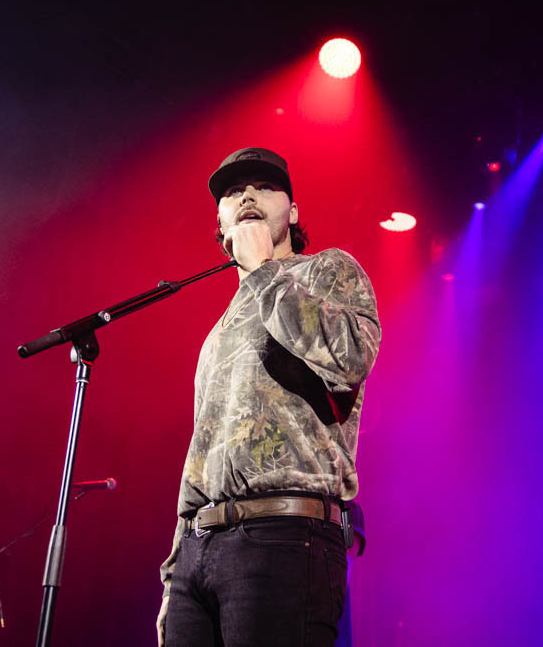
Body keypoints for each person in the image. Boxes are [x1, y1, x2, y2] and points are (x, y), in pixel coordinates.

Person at [157, 147, 381, 646]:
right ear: (220, 223)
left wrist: (262, 270)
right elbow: (200, 457)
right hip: (199, 554)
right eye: (234, 192)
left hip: (284, 536)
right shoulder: (216, 334)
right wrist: (174, 576)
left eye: (264, 187)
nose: (247, 196)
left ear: (293, 212)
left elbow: (350, 358)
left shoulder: (327, 270)